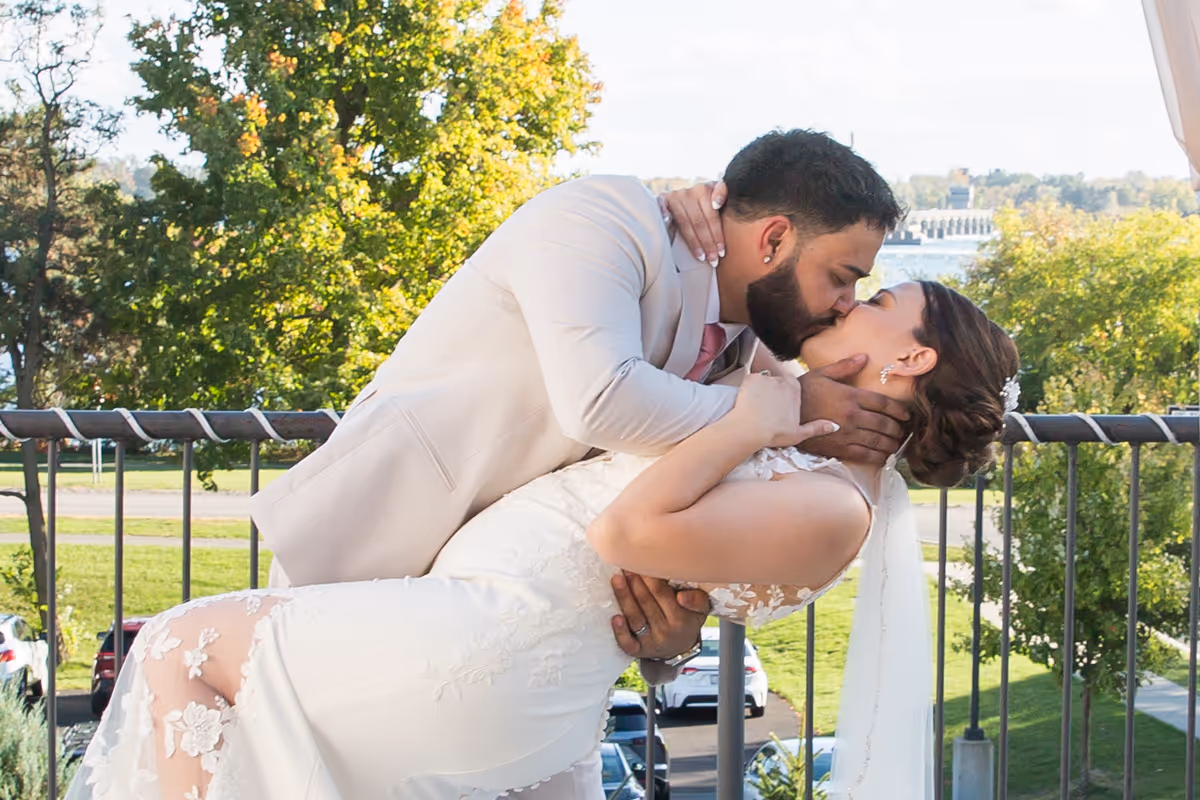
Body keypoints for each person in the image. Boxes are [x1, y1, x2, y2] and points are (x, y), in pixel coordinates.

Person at [67, 278, 1020, 800]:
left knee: (178, 646)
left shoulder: (830, 506)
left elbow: (627, 526)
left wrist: (743, 426)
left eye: (875, 298)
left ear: (913, 355)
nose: (847, 302)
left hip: (488, 642)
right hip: (521, 675)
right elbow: (749, 292)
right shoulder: (805, 436)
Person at [245, 128, 907, 797]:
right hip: (381, 547)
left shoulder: (750, 359)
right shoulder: (607, 218)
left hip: (511, 648)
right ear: (772, 239)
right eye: (843, 277)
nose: (846, 302)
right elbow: (600, 401)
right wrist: (768, 419)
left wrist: (671, 642)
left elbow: (675, 522)